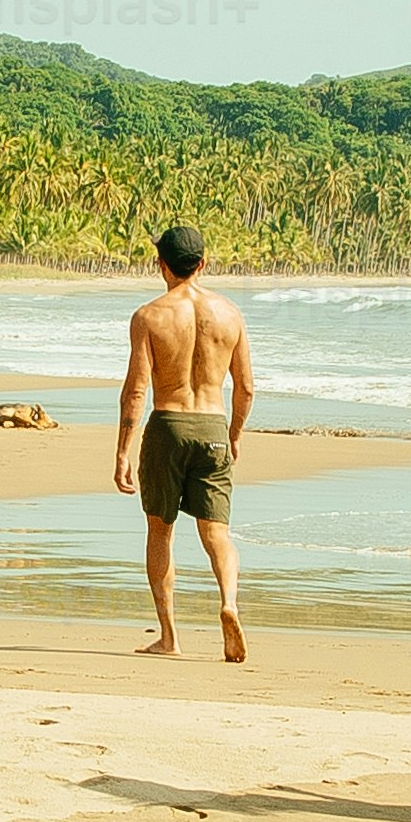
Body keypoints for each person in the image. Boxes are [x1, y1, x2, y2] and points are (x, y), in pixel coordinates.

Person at [107, 225, 260, 662]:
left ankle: (170, 637)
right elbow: (246, 386)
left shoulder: (149, 316)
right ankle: (229, 601)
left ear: (162, 265)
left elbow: (136, 391)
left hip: (168, 425)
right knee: (217, 534)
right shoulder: (230, 314)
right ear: (202, 264)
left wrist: (123, 451)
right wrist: (234, 435)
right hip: (212, 428)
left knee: (161, 530)